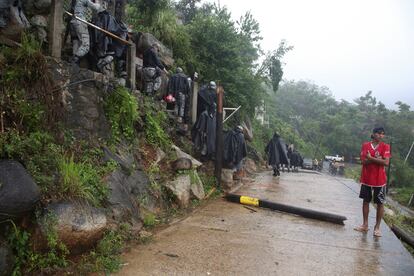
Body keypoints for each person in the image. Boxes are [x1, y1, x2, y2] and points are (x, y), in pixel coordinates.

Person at [354, 127, 390, 237]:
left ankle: (377, 227)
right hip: (366, 179)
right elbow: (363, 161)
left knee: (380, 203)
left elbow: (386, 162)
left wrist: (370, 157)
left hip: (380, 180)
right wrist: (377, 159)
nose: (381, 135)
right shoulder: (365, 145)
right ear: (373, 134)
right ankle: (365, 225)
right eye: (379, 133)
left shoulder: (385, 146)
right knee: (366, 201)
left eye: (383, 134)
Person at [71, 0, 104, 65]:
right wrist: (97, 1)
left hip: (73, 22)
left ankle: (73, 60)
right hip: (80, 22)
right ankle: (74, 61)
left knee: (76, 41)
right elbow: (96, 8)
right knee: (86, 46)